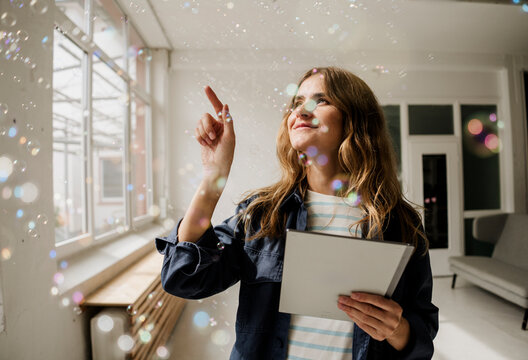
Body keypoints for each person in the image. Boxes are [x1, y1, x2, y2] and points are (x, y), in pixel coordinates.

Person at [156, 67, 439, 360]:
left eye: (321, 100)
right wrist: (213, 177)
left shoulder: (400, 223)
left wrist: (397, 329)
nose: (301, 111)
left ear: (355, 119)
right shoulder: (261, 214)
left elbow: (423, 331)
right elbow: (184, 277)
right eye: (296, 103)